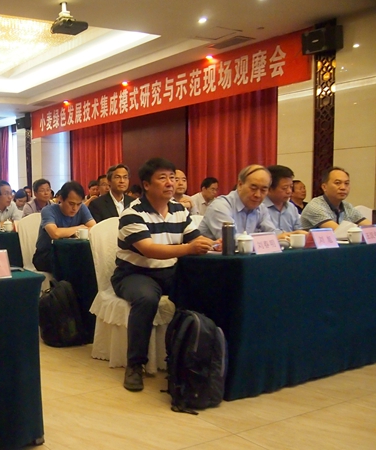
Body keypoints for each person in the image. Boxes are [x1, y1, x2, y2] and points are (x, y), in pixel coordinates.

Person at [112, 158, 213, 392]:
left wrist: (212, 243)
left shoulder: (179, 210)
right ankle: (135, 365)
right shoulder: (132, 213)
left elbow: (195, 238)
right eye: (163, 178)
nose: (170, 183)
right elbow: (149, 249)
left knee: (202, 289)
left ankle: (188, 357)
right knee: (146, 299)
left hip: (169, 272)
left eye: (172, 177)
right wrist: (189, 249)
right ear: (147, 185)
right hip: (134, 273)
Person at [199, 165, 281, 240]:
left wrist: (284, 237)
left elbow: (272, 232)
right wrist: (270, 239)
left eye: (263, 190)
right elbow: (231, 239)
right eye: (253, 188)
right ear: (240, 185)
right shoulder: (220, 206)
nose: (258, 195)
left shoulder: (261, 208)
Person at [33, 181, 95, 273]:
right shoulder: (48, 210)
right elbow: (55, 234)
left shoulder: (82, 208)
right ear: (61, 199)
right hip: (46, 254)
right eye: (71, 204)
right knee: (74, 264)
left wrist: (70, 231)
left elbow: (94, 228)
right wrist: (79, 228)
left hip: (71, 252)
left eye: (78, 204)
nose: (75, 208)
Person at [301, 167, 371, 230]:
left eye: (346, 183)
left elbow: (370, 228)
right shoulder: (315, 206)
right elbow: (339, 232)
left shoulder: (347, 206)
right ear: (324, 187)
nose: (343, 187)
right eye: (337, 183)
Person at [264, 165, 306, 234]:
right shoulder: (259, 208)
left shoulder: (291, 208)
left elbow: (299, 230)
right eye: (284, 188)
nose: (289, 191)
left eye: (291, 187)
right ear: (270, 189)